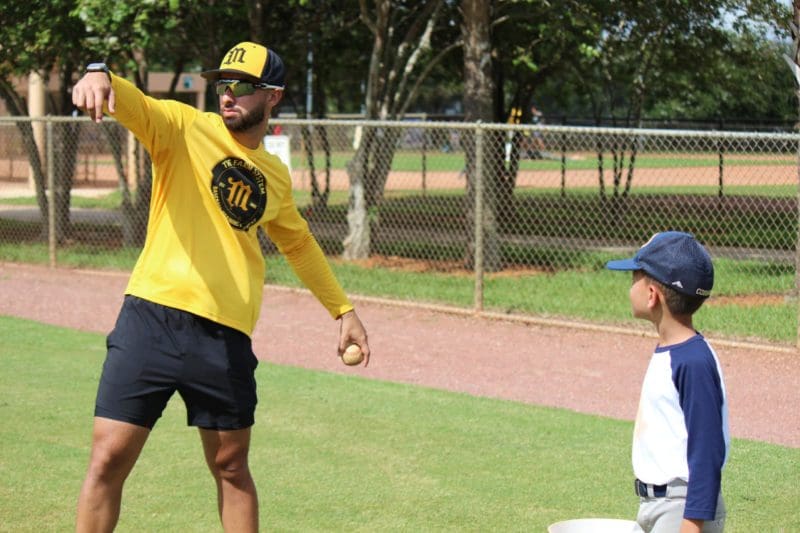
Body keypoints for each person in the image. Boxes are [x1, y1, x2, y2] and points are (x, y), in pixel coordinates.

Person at [71, 41, 370, 532]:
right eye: (223, 84)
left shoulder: (274, 175)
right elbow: (134, 104)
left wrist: (343, 310)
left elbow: (298, 245)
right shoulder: (183, 128)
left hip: (225, 337)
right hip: (152, 317)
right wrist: (100, 72)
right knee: (107, 458)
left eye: (244, 86)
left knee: (231, 467)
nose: (228, 95)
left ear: (273, 96)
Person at [605, 231, 728, 533]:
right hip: (656, 505)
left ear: (651, 295)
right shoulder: (673, 352)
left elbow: (708, 447)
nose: (629, 284)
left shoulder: (692, 361)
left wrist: (691, 523)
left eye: (634, 275)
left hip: (682, 509)